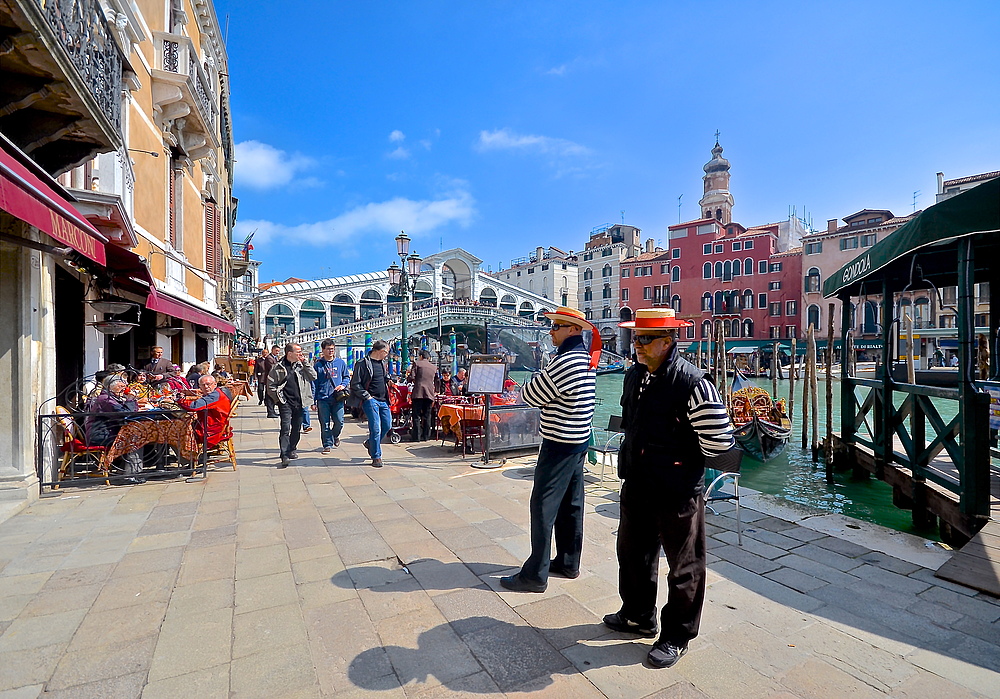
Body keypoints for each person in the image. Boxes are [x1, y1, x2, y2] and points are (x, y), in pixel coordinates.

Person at [605, 308, 735, 669]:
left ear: (667, 341)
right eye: (635, 338)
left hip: (676, 491)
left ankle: (677, 635)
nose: (637, 345)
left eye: (645, 339)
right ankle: (636, 615)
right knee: (632, 554)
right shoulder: (634, 376)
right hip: (638, 483)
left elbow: (719, 441)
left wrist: (682, 465)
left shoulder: (693, 383)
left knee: (684, 566)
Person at [500, 306, 596, 593]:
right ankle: (568, 562)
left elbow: (530, 395)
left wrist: (532, 383)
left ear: (573, 330)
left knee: (542, 506)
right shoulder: (586, 360)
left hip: (559, 443)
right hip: (579, 441)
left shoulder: (564, 362)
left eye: (557, 326)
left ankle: (535, 574)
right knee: (571, 505)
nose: (551, 331)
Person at [85, 375, 145, 484]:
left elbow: (129, 412)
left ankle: (125, 471)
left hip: (110, 431)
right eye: (121, 386)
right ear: (111, 387)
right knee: (136, 439)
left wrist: (131, 401)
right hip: (101, 434)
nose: (124, 388)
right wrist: (130, 399)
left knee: (141, 435)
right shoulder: (106, 399)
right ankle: (129, 475)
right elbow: (126, 414)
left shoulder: (111, 397)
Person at [266, 343, 317, 468]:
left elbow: (314, 376)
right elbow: (270, 386)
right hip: (285, 403)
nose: (300, 354)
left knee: (296, 428)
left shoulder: (301, 365)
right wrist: (279, 400)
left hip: (300, 402)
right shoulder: (278, 367)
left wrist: (305, 362)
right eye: (298, 351)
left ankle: (292, 448)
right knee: (285, 428)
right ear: (290, 353)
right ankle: (284, 454)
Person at [350, 340, 392, 468]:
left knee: (387, 425)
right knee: (375, 428)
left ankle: (370, 443)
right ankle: (376, 456)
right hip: (370, 399)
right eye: (387, 352)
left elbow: (381, 377)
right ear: (381, 351)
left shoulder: (382, 363)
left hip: (383, 399)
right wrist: (366, 396)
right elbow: (355, 384)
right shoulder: (362, 363)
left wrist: (389, 380)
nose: (387, 355)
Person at [177, 374, 234, 451]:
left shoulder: (214, 396)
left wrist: (179, 401)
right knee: (178, 427)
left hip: (212, 430)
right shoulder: (217, 392)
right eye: (203, 385)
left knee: (177, 431)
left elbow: (194, 406)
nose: (206, 387)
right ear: (200, 387)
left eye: (208, 384)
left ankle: (187, 457)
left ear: (215, 384)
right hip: (217, 425)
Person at [313, 339, 350, 454]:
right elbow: (314, 384)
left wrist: (342, 386)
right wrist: (313, 401)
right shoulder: (318, 365)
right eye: (328, 349)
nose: (331, 351)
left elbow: (346, 377)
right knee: (325, 423)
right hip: (323, 398)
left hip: (337, 397)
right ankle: (327, 444)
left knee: (339, 421)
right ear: (323, 350)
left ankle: (335, 436)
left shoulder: (340, 363)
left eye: (332, 349)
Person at [409, 350, 437, 442]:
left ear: (421, 356)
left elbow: (412, 377)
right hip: (429, 393)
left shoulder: (417, 364)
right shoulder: (433, 367)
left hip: (418, 392)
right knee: (427, 415)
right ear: (428, 358)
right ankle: (426, 436)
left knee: (416, 416)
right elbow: (436, 381)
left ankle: (416, 437)